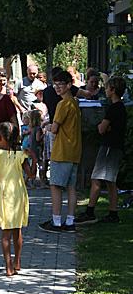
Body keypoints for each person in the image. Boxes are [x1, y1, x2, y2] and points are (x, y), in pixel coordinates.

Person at [0, 122, 37, 276]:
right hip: (19, 193)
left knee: (5, 233)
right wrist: (34, 158)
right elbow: (32, 175)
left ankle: (8, 266)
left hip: (3, 195)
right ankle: (18, 261)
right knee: (17, 230)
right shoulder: (21, 155)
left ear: (1, 138)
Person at [76, 77, 127, 225]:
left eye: (107, 88)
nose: (105, 90)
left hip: (109, 147)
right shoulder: (121, 108)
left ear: (113, 90)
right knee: (111, 181)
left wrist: (102, 125)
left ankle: (90, 211)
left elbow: (101, 128)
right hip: (116, 146)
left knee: (96, 178)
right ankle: (113, 213)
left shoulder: (113, 108)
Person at [39, 71, 81, 233]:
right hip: (74, 151)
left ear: (69, 85)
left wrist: (47, 126)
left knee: (55, 186)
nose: (57, 87)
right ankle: (70, 221)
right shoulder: (74, 103)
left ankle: (56, 221)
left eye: (60, 84)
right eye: (55, 84)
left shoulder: (62, 104)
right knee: (71, 188)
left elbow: (55, 128)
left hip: (62, 151)